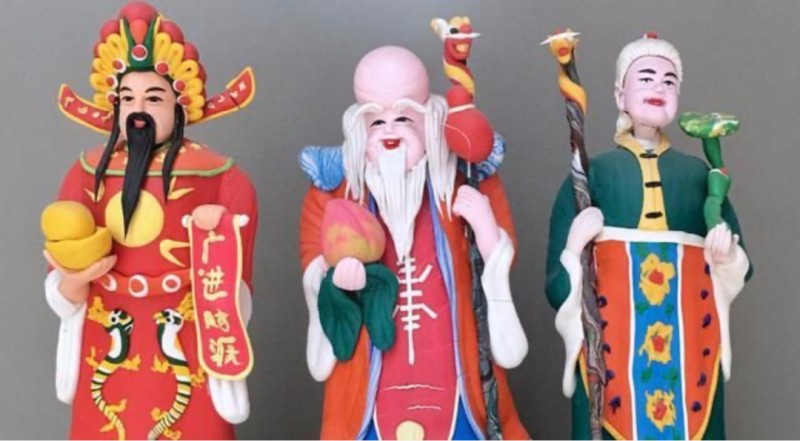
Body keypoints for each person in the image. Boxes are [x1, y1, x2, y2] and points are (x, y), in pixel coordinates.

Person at [44, 2, 257, 438]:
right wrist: (73, 282)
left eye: (153, 97)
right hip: (106, 325)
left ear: (179, 103)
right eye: (127, 98)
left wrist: (216, 238)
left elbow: (239, 291)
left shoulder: (222, 176)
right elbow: (61, 282)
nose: (138, 110)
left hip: (186, 327)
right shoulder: (86, 174)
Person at [299, 46, 529, 440]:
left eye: (404, 118)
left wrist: (486, 230)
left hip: (455, 366)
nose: (390, 133)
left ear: (430, 119)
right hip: (371, 377)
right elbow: (313, 261)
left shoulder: (467, 179)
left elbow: (502, 258)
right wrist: (335, 279)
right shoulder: (334, 191)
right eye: (376, 121)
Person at [546, 33, 752, 440]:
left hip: (689, 343)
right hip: (613, 342)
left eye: (669, 80)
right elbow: (556, 285)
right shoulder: (592, 175)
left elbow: (740, 266)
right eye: (646, 78)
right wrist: (574, 248)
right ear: (620, 95)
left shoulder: (699, 176)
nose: (658, 86)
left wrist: (725, 253)